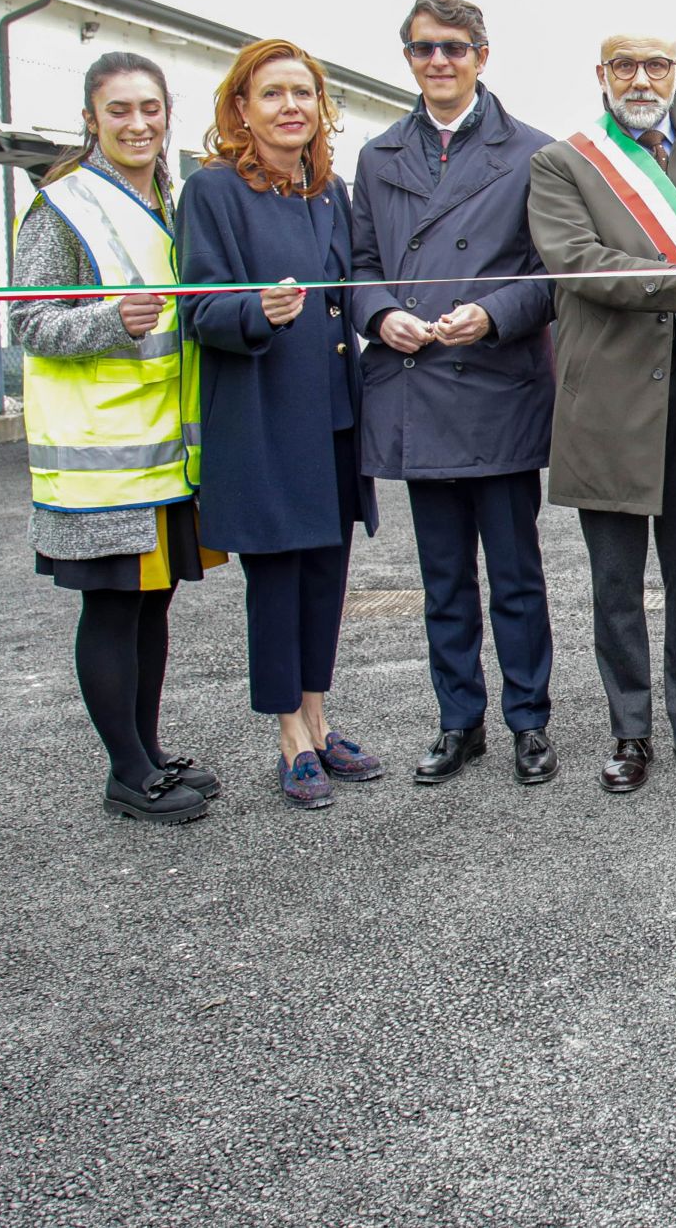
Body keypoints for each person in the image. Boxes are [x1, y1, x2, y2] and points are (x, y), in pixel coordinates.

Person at [529, 33, 676, 795]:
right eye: (623, 66)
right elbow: (577, 263)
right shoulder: (563, 163)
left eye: (655, 65)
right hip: (609, 408)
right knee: (615, 585)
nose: (640, 79)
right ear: (601, 75)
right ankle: (630, 731)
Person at [351, 0, 560, 788]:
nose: (439, 61)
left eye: (454, 47)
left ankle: (530, 721)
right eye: (422, 49)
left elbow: (552, 276)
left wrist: (494, 313)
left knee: (514, 575)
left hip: (497, 386)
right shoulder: (378, 157)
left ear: (482, 53)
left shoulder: (534, 153)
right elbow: (360, 265)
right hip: (415, 388)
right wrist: (380, 316)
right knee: (442, 580)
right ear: (407, 58)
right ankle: (457, 719)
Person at [12, 54, 222, 824]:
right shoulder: (62, 206)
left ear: (168, 114)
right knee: (110, 609)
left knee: (152, 605)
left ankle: (149, 750)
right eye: (119, 110)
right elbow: (29, 320)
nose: (138, 123)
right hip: (97, 459)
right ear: (91, 118)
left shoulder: (169, 197)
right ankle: (127, 772)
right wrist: (108, 320)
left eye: (150, 108)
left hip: (161, 450)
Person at [179, 40, 382, 810]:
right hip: (264, 414)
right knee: (278, 576)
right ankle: (290, 736)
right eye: (272, 94)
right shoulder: (214, 191)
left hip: (333, 412)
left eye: (303, 92)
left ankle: (322, 718)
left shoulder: (331, 190)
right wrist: (252, 311)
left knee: (326, 574)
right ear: (241, 108)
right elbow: (196, 305)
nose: (290, 106)